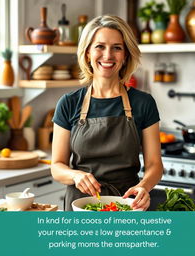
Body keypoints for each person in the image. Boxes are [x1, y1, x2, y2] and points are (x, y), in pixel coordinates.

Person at [51, 15, 163, 211]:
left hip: (128, 203)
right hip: (81, 205)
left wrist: (143, 187)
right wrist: (76, 175)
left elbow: (154, 164)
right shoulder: (69, 103)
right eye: (100, 46)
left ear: (126, 54)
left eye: (117, 47)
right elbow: (57, 166)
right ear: (87, 53)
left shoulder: (144, 103)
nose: (108, 55)